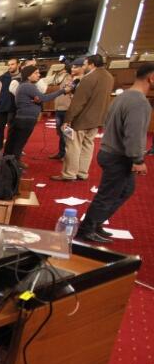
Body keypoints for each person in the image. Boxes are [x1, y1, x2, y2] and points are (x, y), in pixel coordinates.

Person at [76, 63, 152, 243]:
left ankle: (96, 222)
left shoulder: (122, 96)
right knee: (109, 193)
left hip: (110, 151)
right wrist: (138, 159)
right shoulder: (139, 102)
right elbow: (133, 133)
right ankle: (87, 228)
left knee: (125, 189)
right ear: (151, 78)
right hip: (119, 156)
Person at [51, 54, 115, 182]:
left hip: (82, 119)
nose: (84, 67)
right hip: (97, 118)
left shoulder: (89, 78)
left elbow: (79, 102)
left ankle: (69, 174)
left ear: (92, 64)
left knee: (73, 146)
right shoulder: (109, 77)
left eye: (85, 64)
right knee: (88, 146)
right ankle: (82, 173)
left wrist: (68, 119)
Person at [3, 66, 67, 167]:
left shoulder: (23, 86)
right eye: (36, 73)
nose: (39, 75)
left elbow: (39, 98)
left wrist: (37, 101)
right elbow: (45, 98)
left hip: (22, 118)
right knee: (19, 143)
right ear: (29, 75)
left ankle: (11, 162)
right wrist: (62, 91)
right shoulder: (28, 86)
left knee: (15, 142)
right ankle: (14, 164)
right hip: (26, 119)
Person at [50, 58, 84, 160]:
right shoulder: (66, 77)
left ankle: (69, 154)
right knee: (61, 133)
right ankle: (61, 153)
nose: (72, 69)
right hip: (59, 108)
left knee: (68, 134)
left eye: (75, 67)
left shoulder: (78, 80)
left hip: (67, 109)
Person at [0, 58, 19, 153]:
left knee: (14, 129)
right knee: (0, 128)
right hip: (2, 106)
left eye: (12, 64)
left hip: (15, 107)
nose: (10, 66)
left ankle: (13, 148)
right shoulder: (2, 78)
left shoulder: (22, 78)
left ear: (18, 65)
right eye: (9, 64)